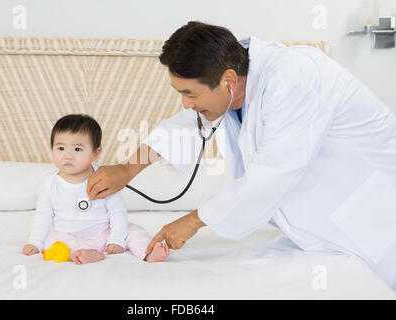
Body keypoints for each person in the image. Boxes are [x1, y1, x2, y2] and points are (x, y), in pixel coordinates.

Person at [86, 21, 396, 290]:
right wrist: (127, 168)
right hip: (323, 221)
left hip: (376, 212)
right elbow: (185, 125)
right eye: (180, 92)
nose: (185, 104)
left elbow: (273, 172)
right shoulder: (229, 88)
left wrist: (194, 221)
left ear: (229, 81)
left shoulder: (294, 80)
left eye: (190, 94)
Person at [22, 114, 169, 264]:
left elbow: (117, 211)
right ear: (52, 148)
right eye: (60, 148)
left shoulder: (104, 177)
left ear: (95, 153)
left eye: (78, 149)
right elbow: (43, 215)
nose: (67, 155)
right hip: (70, 236)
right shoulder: (50, 183)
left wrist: (116, 239)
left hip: (105, 232)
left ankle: (148, 252)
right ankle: (86, 253)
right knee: (53, 242)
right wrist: (35, 242)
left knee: (135, 231)